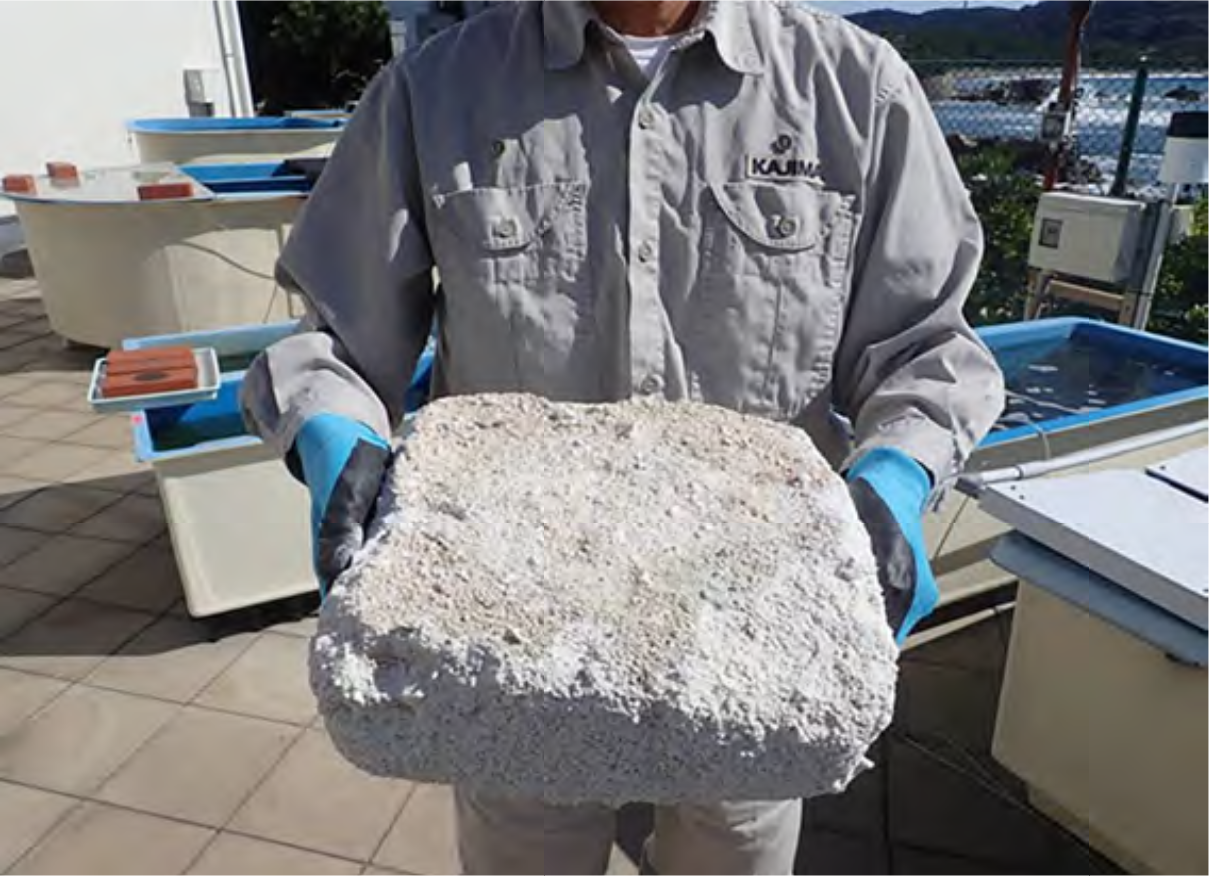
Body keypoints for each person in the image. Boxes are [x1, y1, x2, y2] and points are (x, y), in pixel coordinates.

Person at [241, 1, 1005, 873]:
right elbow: (337, 340)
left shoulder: (856, 89)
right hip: (514, 643)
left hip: (751, 635)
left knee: (734, 843)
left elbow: (925, 345)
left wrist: (897, 477)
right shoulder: (433, 90)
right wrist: (333, 430)